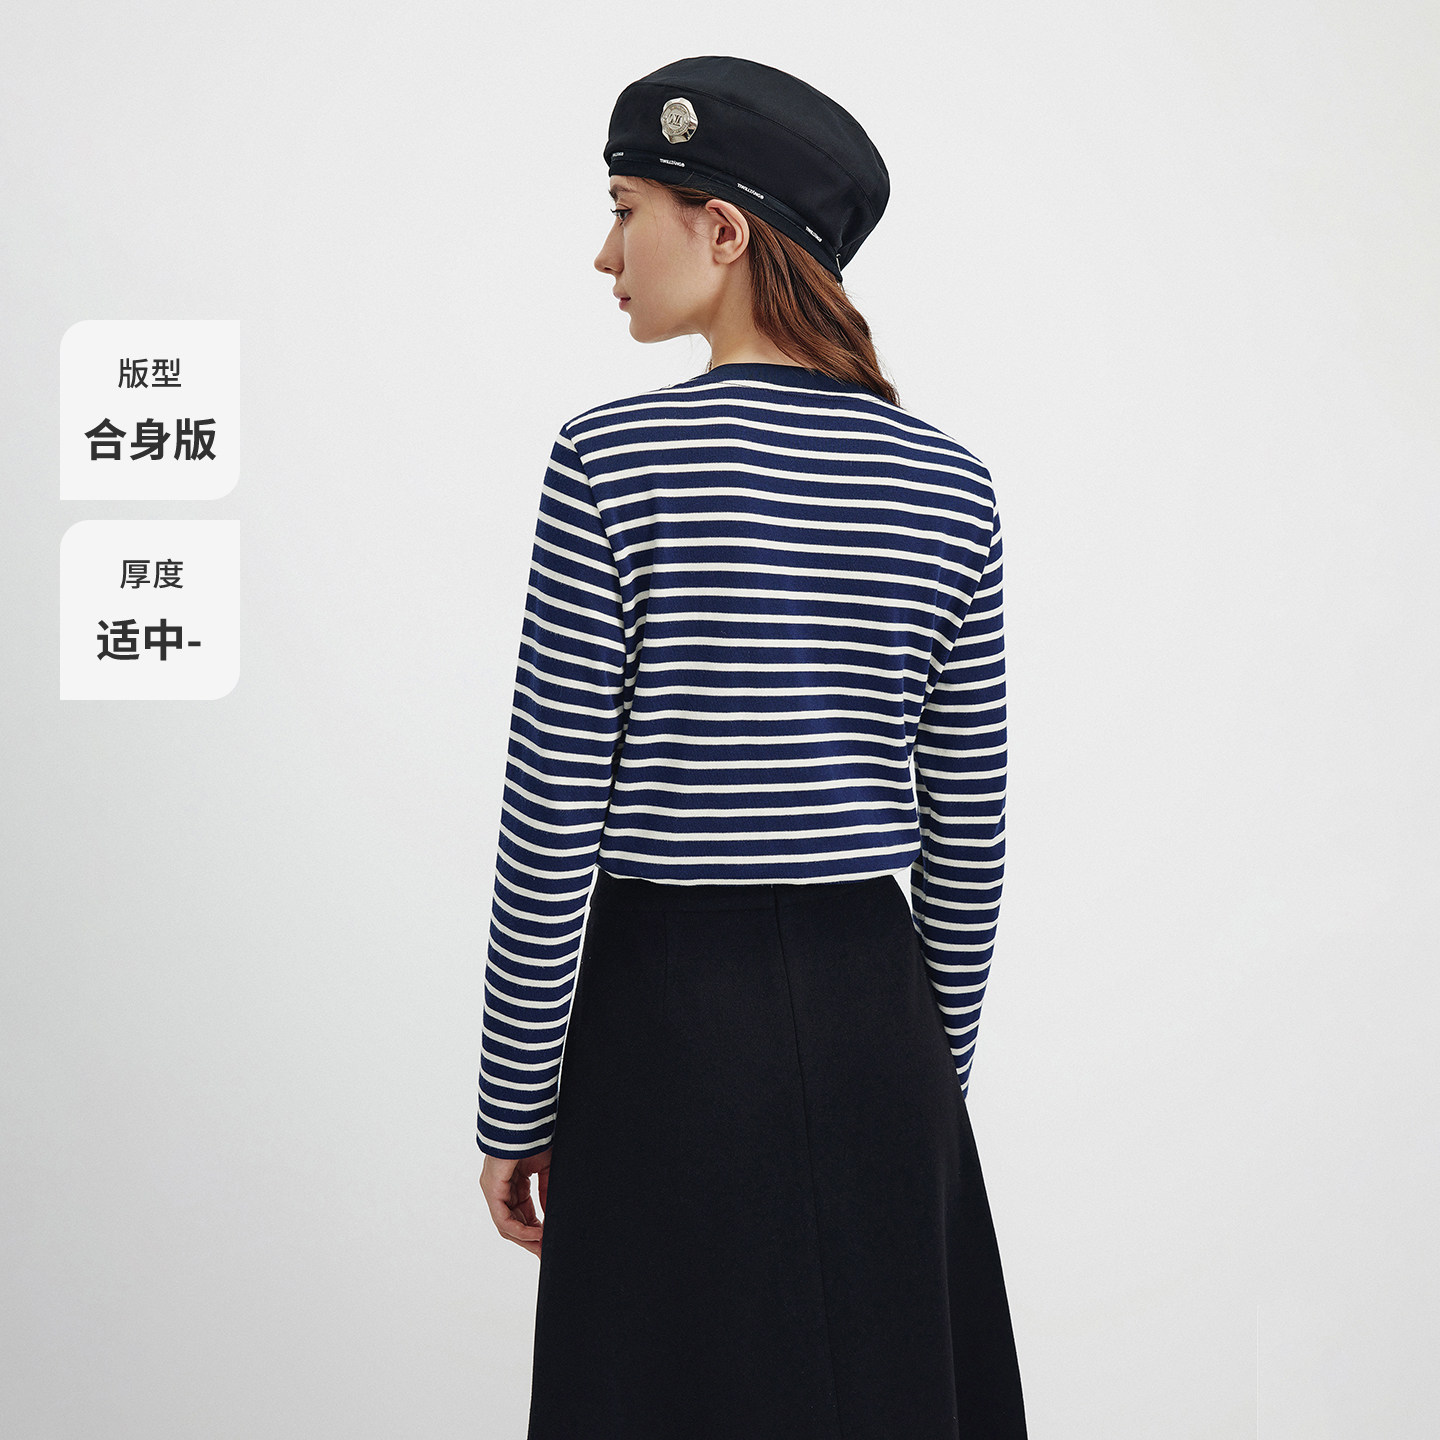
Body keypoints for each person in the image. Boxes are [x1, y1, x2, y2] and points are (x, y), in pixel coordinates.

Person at [476, 55, 1027, 1440]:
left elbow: (551, 818)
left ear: (721, 230)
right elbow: (968, 832)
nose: (605, 254)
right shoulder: (949, 482)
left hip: (667, 1020)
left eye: (626, 209)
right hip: (877, 1012)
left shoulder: (609, 462)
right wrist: (926, 1078)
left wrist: (516, 1103)